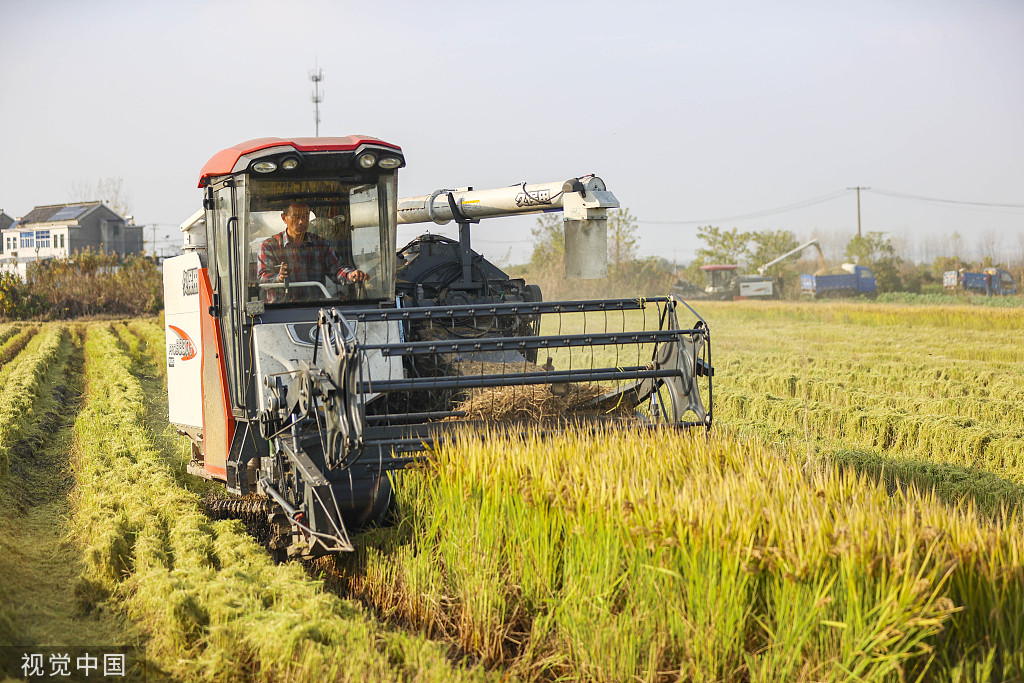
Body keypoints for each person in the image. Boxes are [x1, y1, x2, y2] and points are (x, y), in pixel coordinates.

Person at [257, 202, 369, 303]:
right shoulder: (270, 246)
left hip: (315, 309)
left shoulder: (321, 244)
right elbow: (263, 278)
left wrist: (350, 275)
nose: (301, 222)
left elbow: (337, 270)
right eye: (296, 217)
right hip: (280, 311)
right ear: (284, 218)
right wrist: (279, 278)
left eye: (305, 217)